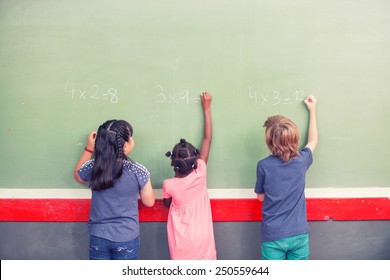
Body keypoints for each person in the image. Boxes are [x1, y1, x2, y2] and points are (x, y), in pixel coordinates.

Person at [73, 120, 155, 260]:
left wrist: (89, 148)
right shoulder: (138, 170)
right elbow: (149, 202)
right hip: (127, 236)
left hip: (99, 235)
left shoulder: (94, 166)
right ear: (125, 146)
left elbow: (78, 176)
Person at [254, 95, 318, 260]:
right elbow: (313, 140)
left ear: (268, 142)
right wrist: (312, 111)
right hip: (299, 233)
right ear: (295, 139)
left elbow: (260, 197)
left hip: (273, 235)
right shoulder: (302, 160)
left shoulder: (263, 165)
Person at [162, 92, 217, 260]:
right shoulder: (200, 173)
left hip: (181, 244)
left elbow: (166, 204)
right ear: (195, 159)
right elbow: (207, 139)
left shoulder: (169, 185)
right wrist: (206, 108)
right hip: (203, 241)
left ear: (172, 162)